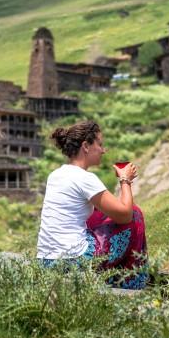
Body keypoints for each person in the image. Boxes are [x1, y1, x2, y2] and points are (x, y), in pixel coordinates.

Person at [36, 120, 148, 289]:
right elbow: (125, 215)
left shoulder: (55, 175)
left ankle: (113, 273)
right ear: (86, 146)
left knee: (98, 215)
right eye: (100, 144)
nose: (103, 150)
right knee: (135, 214)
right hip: (74, 261)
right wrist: (125, 180)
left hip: (46, 261)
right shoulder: (85, 179)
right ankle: (129, 279)